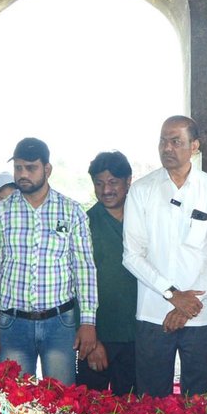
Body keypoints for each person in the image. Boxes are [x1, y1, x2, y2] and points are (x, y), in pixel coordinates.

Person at [124, 116, 207, 397]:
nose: (167, 148)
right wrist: (172, 294)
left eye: (176, 141)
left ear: (194, 146)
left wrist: (188, 304)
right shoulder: (141, 190)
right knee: (151, 401)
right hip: (153, 312)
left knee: (199, 401)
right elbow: (132, 255)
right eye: (163, 141)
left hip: (200, 314)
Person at [0, 137, 98, 386]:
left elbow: (84, 269)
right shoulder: (0, 212)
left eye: (30, 168)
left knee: (62, 399)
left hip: (60, 322)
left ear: (47, 169)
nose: (23, 174)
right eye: (18, 167)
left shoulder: (71, 211)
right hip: (12, 323)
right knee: (16, 399)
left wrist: (88, 321)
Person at [78, 151, 139, 395]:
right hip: (98, 334)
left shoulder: (143, 218)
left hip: (139, 335)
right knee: (90, 407)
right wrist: (92, 342)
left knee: (135, 407)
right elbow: (76, 284)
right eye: (99, 183)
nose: (106, 190)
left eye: (113, 182)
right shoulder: (86, 223)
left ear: (128, 181)